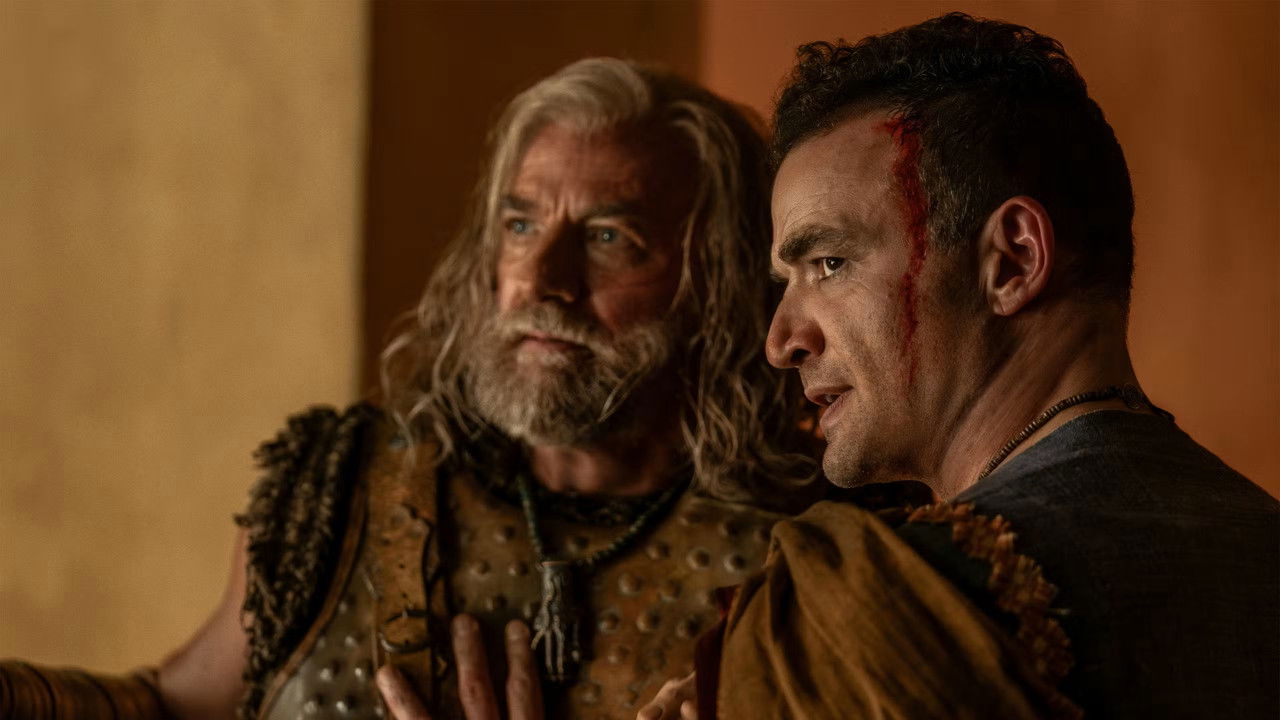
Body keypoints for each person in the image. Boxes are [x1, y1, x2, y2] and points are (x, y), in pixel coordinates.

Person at [3, 58, 918, 720]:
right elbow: (171, 709)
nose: (542, 280)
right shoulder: (336, 491)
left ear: (719, 279)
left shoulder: (822, 559)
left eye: (610, 238)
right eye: (520, 226)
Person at [639, 13, 1279, 720]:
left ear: (1013, 261)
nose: (782, 340)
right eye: (787, 282)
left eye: (829, 263)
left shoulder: (866, 622)